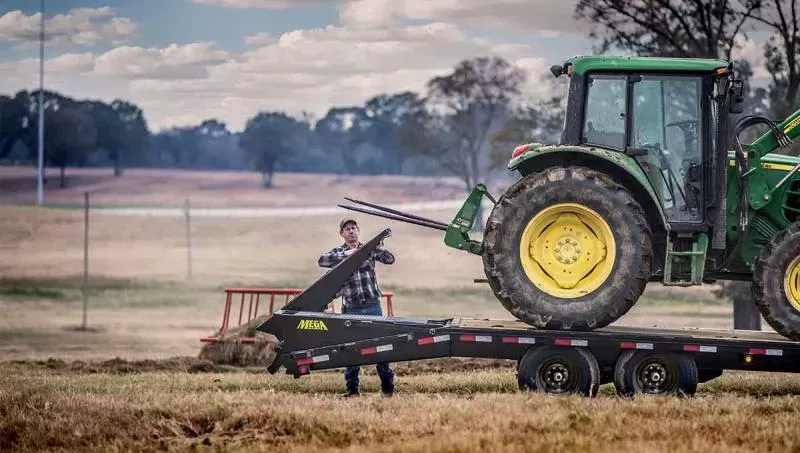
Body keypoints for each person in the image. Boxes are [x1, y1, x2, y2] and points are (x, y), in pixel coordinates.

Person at [318, 218, 396, 397]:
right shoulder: (339, 252)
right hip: (352, 308)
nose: (351, 231)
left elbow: (390, 259)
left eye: (353, 228)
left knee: (381, 348)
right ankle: (352, 392)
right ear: (342, 234)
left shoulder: (368, 249)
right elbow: (322, 261)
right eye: (347, 229)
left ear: (358, 231)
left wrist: (377, 247)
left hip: (373, 306)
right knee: (351, 352)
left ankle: (388, 390)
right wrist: (347, 254)